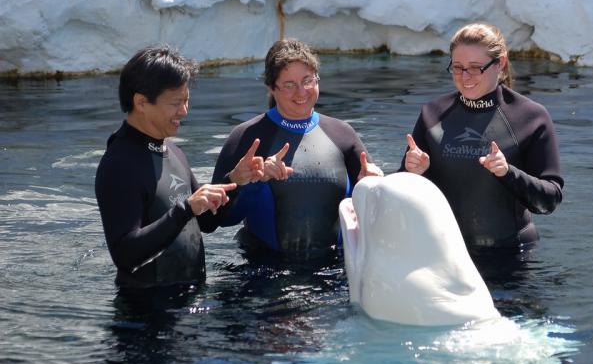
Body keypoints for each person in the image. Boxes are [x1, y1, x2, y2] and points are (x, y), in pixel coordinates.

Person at [95, 44, 264, 289]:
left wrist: (235, 181)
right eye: (176, 103)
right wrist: (185, 209)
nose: (184, 111)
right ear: (141, 102)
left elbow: (206, 223)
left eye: (186, 101)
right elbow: (125, 256)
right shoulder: (119, 165)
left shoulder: (172, 151)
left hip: (190, 299)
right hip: (147, 308)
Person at [211, 38, 382, 261]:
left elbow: (376, 211)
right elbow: (213, 221)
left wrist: (373, 185)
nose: (301, 92)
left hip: (333, 272)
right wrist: (248, 181)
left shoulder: (342, 134)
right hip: (265, 273)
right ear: (271, 87)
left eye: (307, 81)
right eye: (289, 85)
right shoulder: (248, 137)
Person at [401, 23, 563, 251]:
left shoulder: (530, 117)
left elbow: (549, 201)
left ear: (500, 63)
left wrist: (508, 173)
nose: (465, 76)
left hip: (510, 255)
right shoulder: (433, 114)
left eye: (476, 68)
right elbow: (401, 194)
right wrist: (415, 173)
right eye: (458, 67)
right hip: (444, 251)